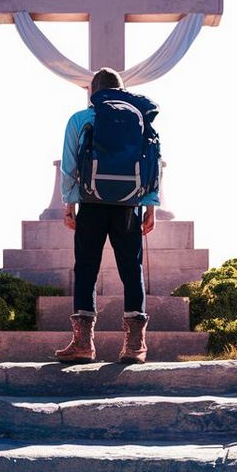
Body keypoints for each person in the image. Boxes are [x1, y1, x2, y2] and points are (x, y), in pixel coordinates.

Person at [55, 67, 158, 365]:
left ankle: (84, 343)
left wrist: (68, 204)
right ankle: (135, 345)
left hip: (91, 202)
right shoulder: (139, 116)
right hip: (129, 205)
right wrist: (151, 205)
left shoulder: (81, 119)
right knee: (131, 267)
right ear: (121, 90)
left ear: (92, 93)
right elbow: (152, 162)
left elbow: (69, 166)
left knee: (87, 266)